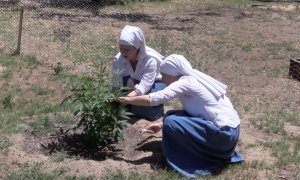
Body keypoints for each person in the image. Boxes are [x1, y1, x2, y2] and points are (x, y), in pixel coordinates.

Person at [120, 54, 244, 178]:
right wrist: (161, 124)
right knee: (171, 116)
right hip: (231, 134)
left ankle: (189, 159)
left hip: (223, 136)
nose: (162, 79)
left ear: (172, 73)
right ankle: (208, 151)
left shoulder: (185, 82)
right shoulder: (194, 79)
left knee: (171, 122)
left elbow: (156, 98)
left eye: (164, 75)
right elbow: (195, 112)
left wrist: (127, 100)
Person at [112, 25, 165, 121]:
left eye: (127, 49)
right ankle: (130, 108)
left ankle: (152, 110)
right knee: (125, 87)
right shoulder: (118, 59)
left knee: (150, 111)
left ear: (138, 48)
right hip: (133, 83)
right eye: (121, 48)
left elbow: (145, 85)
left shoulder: (150, 60)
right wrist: (115, 97)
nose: (123, 52)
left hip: (152, 84)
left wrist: (126, 98)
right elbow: (116, 81)